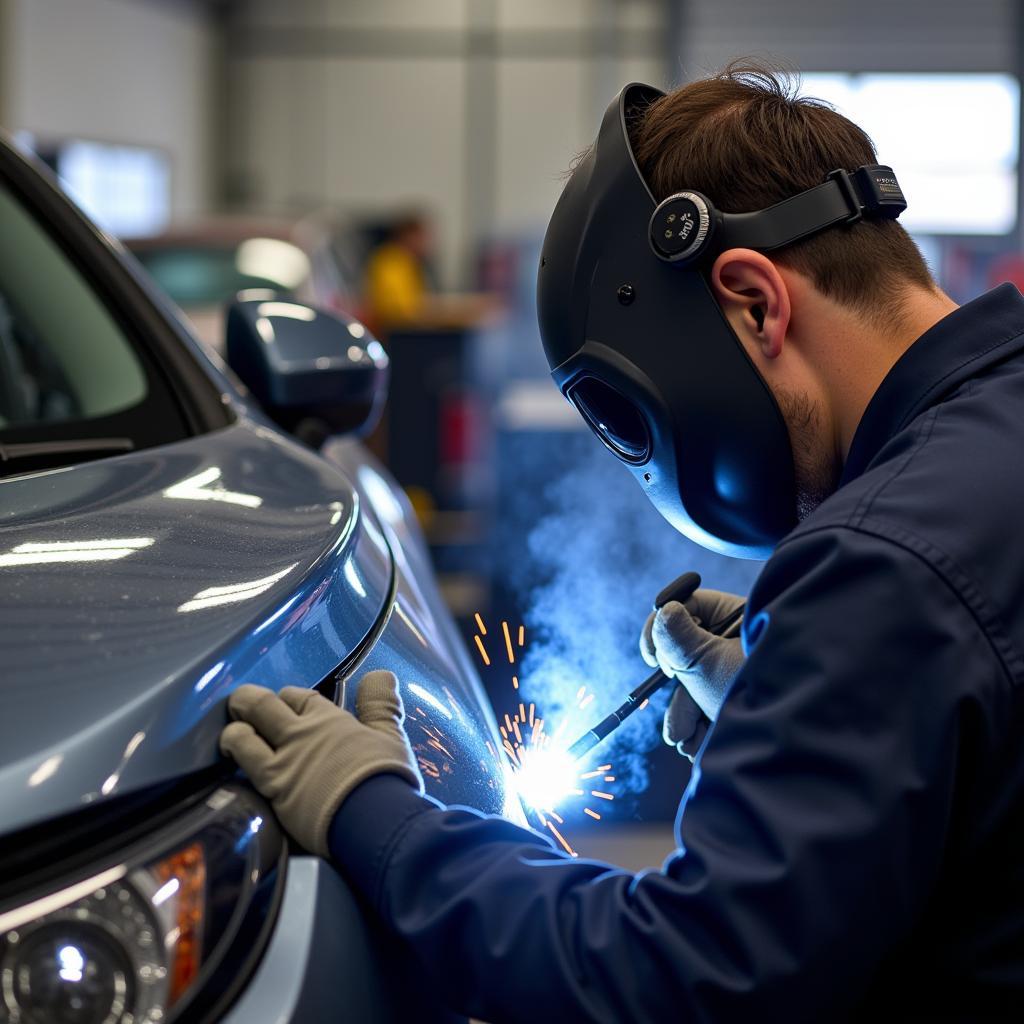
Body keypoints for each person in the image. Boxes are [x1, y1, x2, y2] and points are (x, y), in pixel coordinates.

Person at [219, 62, 1024, 1022]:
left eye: (630, 418)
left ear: (757, 304)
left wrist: (378, 818)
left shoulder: (879, 564)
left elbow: (677, 980)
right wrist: (835, 710)